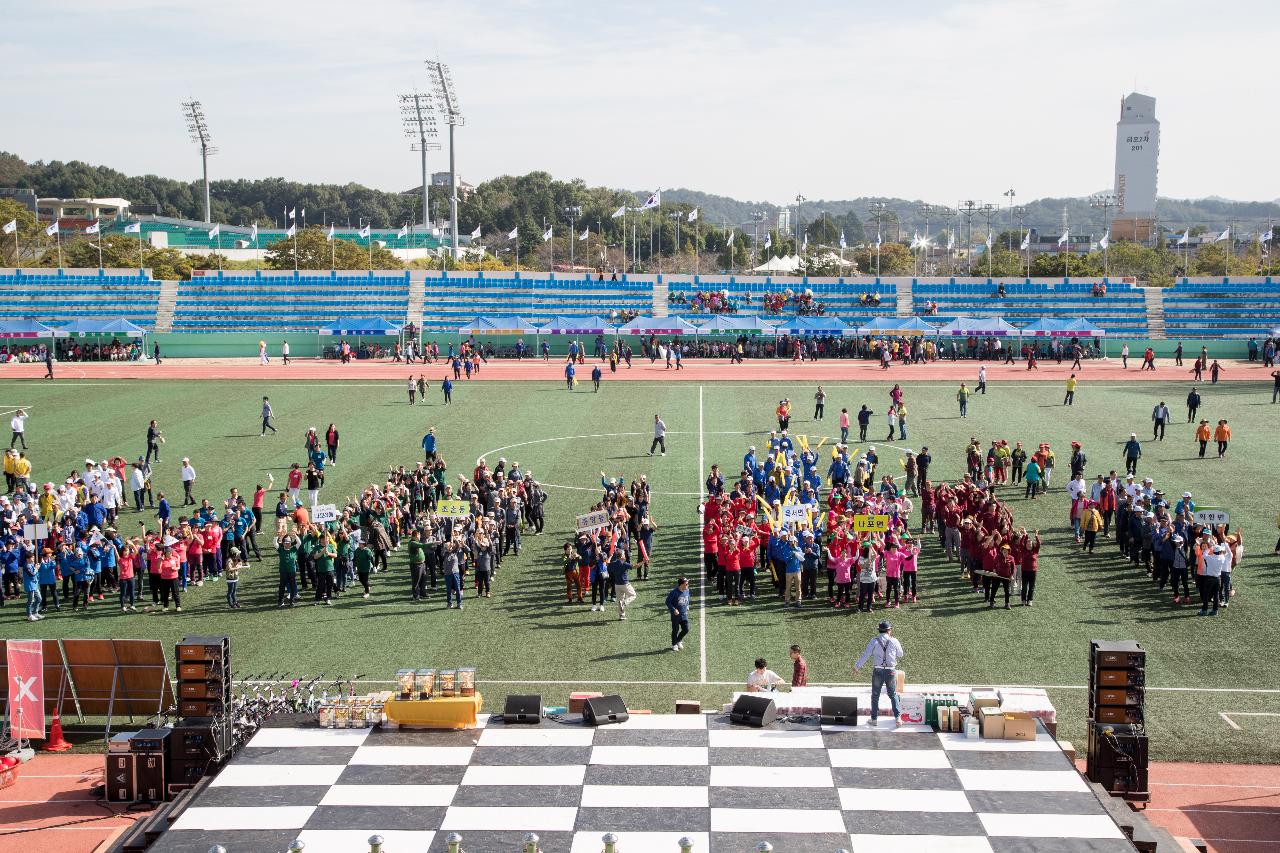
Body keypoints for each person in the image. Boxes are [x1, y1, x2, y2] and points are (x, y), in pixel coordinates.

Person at [854, 620, 903, 726]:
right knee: (893, 694)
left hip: (878, 670)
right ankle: (898, 718)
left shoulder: (874, 641)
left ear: (880, 630)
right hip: (891, 670)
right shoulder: (894, 641)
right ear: (888, 630)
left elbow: (866, 655)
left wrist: (857, 666)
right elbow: (900, 654)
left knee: (875, 695)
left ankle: (874, 719)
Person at [666, 576, 690, 651]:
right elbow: (667, 602)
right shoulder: (674, 592)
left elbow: (688, 598)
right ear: (681, 585)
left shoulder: (687, 590)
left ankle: (678, 641)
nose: (687, 585)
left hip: (684, 614)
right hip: (676, 615)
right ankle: (674, 644)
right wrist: (673, 610)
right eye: (686, 584)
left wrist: (687, 606)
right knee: (675, 630)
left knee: (686, 629)